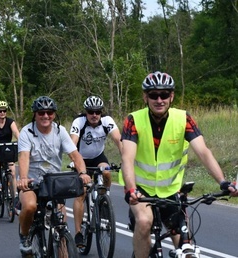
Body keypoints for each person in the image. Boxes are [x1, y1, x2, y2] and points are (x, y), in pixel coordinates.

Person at [121, 71, 238, 258]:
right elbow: (127, 158)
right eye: (153, 95)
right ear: (145, 97)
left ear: (172, 96)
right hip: (140, 190)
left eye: (164, 94)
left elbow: (203, 152)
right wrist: (131, 189)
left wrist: (223, 182)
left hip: (171, 190)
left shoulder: (184, 119)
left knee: (185, 244)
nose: (159, 100)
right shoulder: (133, 120)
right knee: (144, 221)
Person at [16, 96, 90, 256]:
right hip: (31, 182)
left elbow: (75, 155)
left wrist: (83, 173)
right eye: (41, 112)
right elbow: (23, 156)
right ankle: (24, 236)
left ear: (54, 114)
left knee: (61, 224)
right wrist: (23, 178)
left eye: (49, 112)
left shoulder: (60, 131)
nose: (45, 116)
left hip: (54, 184)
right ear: (35, 114)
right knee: (29, 207)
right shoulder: (26, 132)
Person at [69, 95, 123, 247]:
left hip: (98, 157)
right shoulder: (79, 122)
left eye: (97, 112)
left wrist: (125, 159)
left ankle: (103, 198)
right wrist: (78, 167)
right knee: (81, 193)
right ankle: (79, 233)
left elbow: (119, 140)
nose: (94, 115)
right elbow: (72, 144)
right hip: (81, 159)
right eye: (91, 112)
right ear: (86, 112)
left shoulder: (107, 121)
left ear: (101, 112)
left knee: (106, 172)